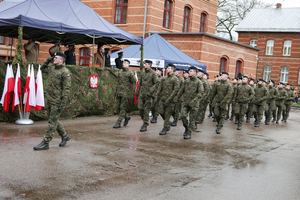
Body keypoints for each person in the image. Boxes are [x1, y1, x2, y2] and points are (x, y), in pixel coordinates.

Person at [33, 52, 72, 150]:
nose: (54, 59)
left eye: (56, 58)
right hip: (50, 99)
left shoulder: (65, 72)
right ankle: (65, 136)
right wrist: (49, 59)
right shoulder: (51, 69)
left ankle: (46, 142)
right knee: (54, 120)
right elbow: (42, 68)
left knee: (52, 122)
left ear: (61, 61)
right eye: (54, 58)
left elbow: (66, 90)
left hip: (57, 102)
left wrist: (62, 104)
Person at [176, 66, 204, 139]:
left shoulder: (199, 82)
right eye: (189, 71)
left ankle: (189, 132)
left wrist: (194, 101)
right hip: (185, 102)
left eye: (191, 71)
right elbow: (181, 90)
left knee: (192, 119)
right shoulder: (186, 81)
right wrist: (177, 98)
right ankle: (187, 128)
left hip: (194, 104)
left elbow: (200, 93)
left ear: (195, 72)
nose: (189, 72)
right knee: (183, 116)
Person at [155, 64, 180, 135]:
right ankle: (168, 123)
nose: (167, 69)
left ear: (172, 69)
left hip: (170, 100)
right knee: (160, 111)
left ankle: (165, 128)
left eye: (169, 68)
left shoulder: (175, 79)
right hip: (162, 99)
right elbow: (160, 88)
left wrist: (169, 99)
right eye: (167, 68)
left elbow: (175, 90)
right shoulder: (164, 78)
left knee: (167, 114)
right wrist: (156, 97)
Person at [113, 59, 136, 128]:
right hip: (119, 92)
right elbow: (118, 82)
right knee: (118, 108)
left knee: (122, 108)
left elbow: (134, 83)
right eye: (123, 62)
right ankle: (126, 117)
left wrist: (132, 94)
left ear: (128, 64)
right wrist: (115, 91)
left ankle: (118, 122)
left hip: (126, 93)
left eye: (125, 63)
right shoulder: (120, 72)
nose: (123, 64)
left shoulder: (130, 73)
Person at [137, 60, 157, 132]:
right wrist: (137, 92)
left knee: (146, 110)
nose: (144, 65)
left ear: (149, 65)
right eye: (144, 64)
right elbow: (140, 83)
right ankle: (144, 120)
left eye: (146, 64)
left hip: (149, 95)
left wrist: (151, 91)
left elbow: (156, 84)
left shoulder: (153, 74)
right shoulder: (142, 73)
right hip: (142, 94)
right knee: (140, 108)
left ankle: (145, 124)